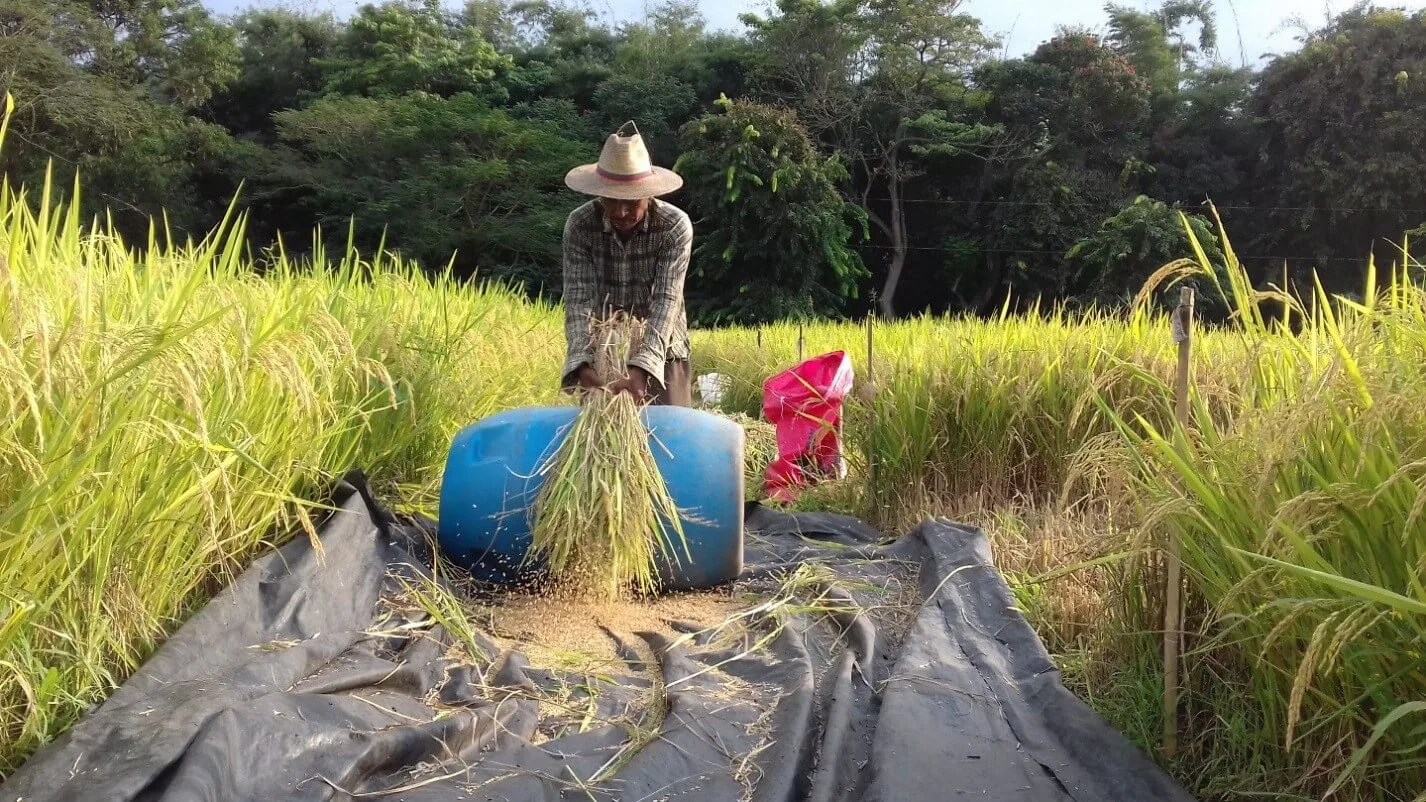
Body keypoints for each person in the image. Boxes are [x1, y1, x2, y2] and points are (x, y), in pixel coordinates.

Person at [560, 121, 694, 407]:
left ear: (648, 192)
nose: (621, 212)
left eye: (632, 201)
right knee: (600, 442)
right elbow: (578, 297)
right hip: (603, 352)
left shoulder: (673, 226)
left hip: (664, 349)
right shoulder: (581, 225)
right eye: (612, 200)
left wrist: (643, 365)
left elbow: (666, 299)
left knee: (669, 441)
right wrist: (583, 361)